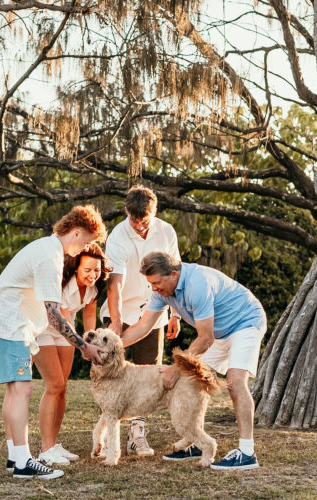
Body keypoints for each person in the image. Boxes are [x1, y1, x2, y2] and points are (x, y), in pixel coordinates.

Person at [0, 206, 107, 480]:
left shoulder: (48, 248)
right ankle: (24, 462)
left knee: (15, 391)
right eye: (87, 241)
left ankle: (15, 457)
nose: (86, 247)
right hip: (11, 325)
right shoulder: (50, 256)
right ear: (77, 232)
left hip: (9, 325)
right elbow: (54, 314)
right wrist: (84, 346)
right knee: (22, 390)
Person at [120, 251, 267, 471]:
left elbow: (205, 338)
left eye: (157, 283)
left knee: (235, 381)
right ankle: (196, 442)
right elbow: (143, 326)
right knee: (192, 381)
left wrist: (176, 367)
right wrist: (112, 346)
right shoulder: (161, 292)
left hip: (245, 322)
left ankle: (247, 453)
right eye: (151, 284)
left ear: (173, 274)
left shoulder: (198, 284)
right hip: (218, 332)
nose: (154, 288)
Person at [100, 185, 180, 457]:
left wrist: (175, 314)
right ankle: (105, 437)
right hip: (120, 309)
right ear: (127, 212)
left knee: (148, 377)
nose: (139, 226)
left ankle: (137, 435)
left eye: (144, 221)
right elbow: (115, 284)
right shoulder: (118, 236)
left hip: (154, 312)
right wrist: (115, 322)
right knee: (111, 376)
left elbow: (175, 273)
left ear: (154, 211)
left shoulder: (166, 231)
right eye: (134, 220)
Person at [33, 242, 112, 466]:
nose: (92, 274)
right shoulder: (63, 283)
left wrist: (91, 340)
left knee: (62, 387)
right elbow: (63, 319)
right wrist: (83, 347)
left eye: (97, 270)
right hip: (45, 329)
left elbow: (89, 314)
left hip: (67, 333)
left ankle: (53, 444)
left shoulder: (94, 287)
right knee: (54, 385)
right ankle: (45, 449)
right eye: (87, 270)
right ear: (76, 267)